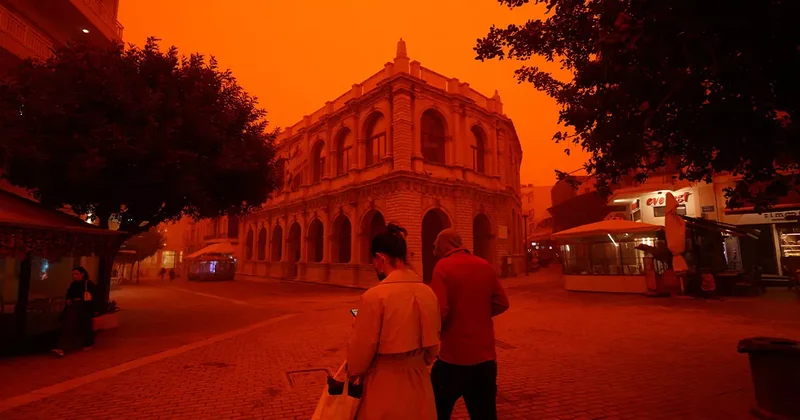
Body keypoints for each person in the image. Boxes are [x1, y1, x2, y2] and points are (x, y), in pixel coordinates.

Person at [347, 223, 441, 420]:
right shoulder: (428, 292)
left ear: (380, 258)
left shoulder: (375, 296)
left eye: (374, 261)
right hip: (419, 378)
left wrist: (354, 372)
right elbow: (433, 347)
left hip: (384, 380)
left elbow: (361, 349)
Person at [429, 228, 510, 420]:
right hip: (485, 359)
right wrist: (478, 313)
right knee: (484, 414)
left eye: (436, 246)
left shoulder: (442, 267)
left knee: (435, 410)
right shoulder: (484, 265)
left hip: (453, 359)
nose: (435, 251)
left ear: (444, 244)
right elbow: (502, 303)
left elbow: (440, 311)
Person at [52, 266, 97, 357]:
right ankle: (62, 347)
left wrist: (94, 309)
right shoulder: (73, 284)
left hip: (84, 308)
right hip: (74, 308)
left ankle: (83, 344)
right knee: (69, 326)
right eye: (73, 274)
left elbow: (95, 297)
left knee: (81, 326)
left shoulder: (88, 284)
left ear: (82, 274)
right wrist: (69, 300)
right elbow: (69, 295)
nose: (74, 276)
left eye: (76, 274)